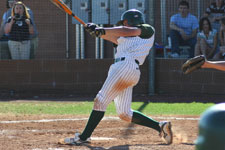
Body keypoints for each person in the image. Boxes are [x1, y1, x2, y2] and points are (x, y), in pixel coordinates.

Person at [60, 9, 173, 145]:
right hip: (128, 70)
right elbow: (112, 36)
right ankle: (160, 126)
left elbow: (125, 31)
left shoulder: (147, 30)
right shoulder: (125, 39)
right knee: (124, 114)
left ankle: (84, 137)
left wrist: (101, 29)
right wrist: (96, 31)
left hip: (125, 67)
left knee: (100, 100)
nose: (123, 25)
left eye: (124, 22)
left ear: (128, 21)